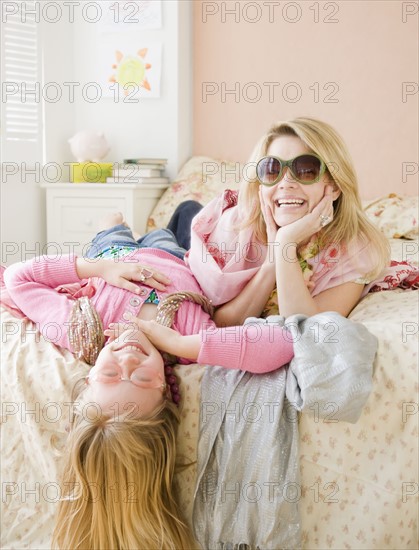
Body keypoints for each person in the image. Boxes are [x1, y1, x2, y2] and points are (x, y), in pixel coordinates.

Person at [2, 212, 294, 550]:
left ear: (89, 377)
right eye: (140, 376)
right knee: (182, 221)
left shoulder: (80, 331)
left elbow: (19, 279)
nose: (126, 358)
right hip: (172, 259)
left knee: (113, 231)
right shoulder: (189, 340)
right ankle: (166, 225)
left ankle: (115, 225)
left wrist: (97, 269)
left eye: (109, 374)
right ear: (165, 389)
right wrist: (177, 343)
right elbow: (281, 345)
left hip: (110, 256)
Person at [185, 117, 390, 326]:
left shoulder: (357, 251)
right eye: (272, 170)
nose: (286, 183)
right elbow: (218, 323)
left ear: (335, 186)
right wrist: (271, 265)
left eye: (306, 170)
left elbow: (304, 331)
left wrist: (284, 243)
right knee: (170, 232)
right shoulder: (235, 224)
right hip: (187, 238)